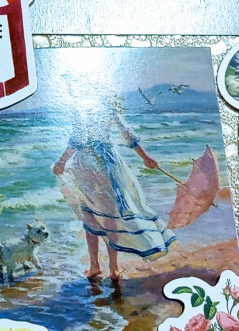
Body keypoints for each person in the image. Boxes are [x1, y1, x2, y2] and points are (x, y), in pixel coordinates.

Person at [52, 99, 176, 287]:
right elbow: (128, 135)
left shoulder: (79, 104)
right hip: (109, 162)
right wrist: (145, 157)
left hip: (85, 163)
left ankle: (95, 266)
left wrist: (61, 161)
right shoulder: (107, 106)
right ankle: (113, 268)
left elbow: (78, 138)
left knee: (89, 214)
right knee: (110, 214)